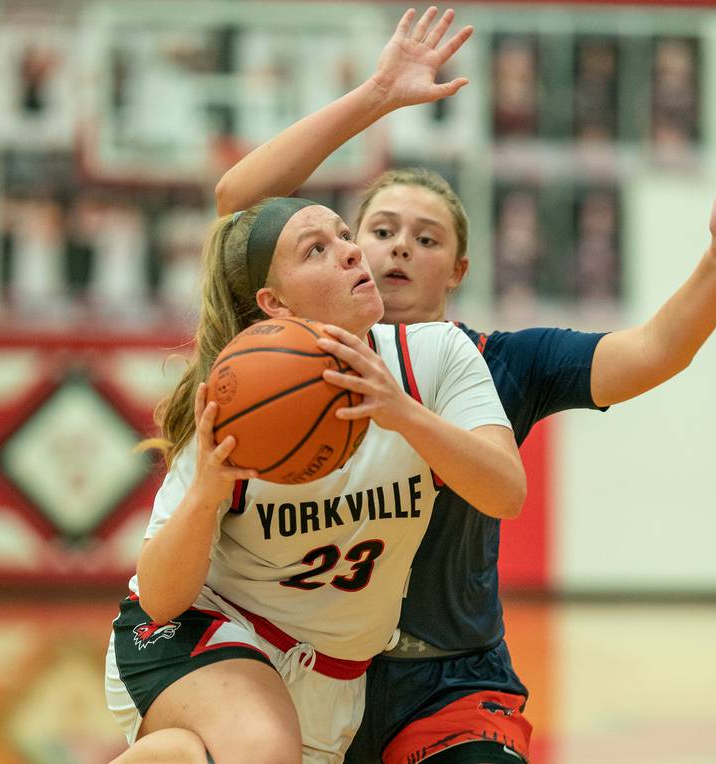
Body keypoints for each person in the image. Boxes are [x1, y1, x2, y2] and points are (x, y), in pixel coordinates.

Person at [214, 6, 716, 764]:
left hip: (449, 677)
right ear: (346, 245)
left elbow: (654, 351)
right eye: (379, 230)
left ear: (458, 273)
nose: (397, 251)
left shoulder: (494, 361)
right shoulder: (281, 358)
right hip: (309, 665)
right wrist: (377, 96)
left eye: (427, 239)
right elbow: (238, 206)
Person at [104, 198, 527, 760]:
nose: (353, 251)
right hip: (205, 632)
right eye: (317, 250)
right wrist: (207, 491)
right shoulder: (244, 395)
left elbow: (506, 492)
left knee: (190, 754)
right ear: (275, 303)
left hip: (333, 675)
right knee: (263, 748)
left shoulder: (436, 356)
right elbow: (159, 598)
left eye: (346, 235)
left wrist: (400, 410)